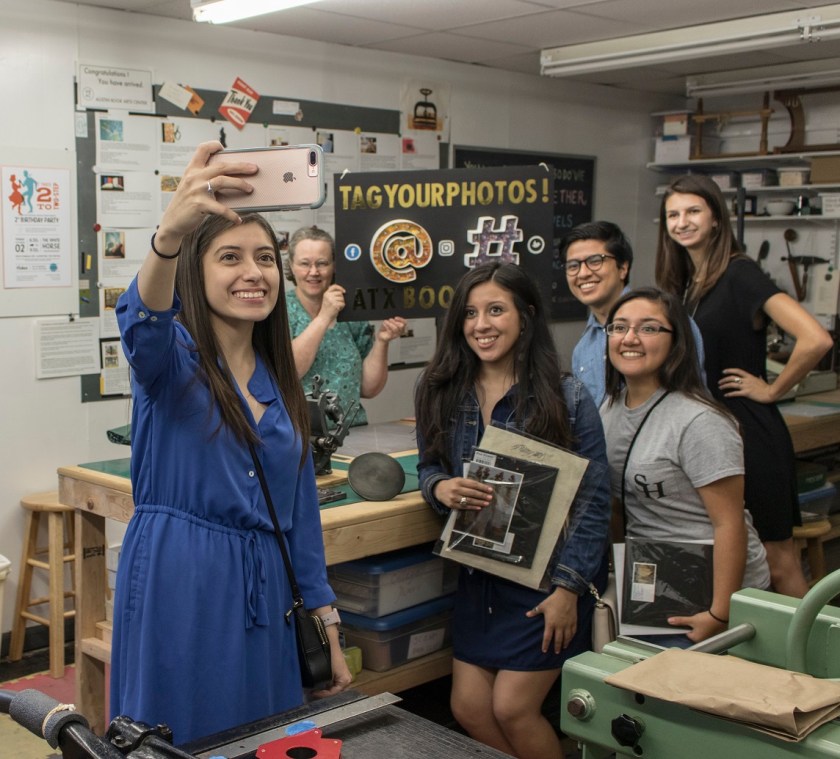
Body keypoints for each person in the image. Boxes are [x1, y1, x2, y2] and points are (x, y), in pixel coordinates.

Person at [112, 141, 351, 744]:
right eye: (229, 257)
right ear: (196, 270)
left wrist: (328, 631)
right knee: (178, 732)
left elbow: (300, 521)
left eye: (266, 257)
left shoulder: (282, 384)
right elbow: (141, 320)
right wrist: (170, 234)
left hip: (266, 589)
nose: (253, 272)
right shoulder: (170, 364)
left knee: (265, 734)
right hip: (180, 579)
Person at [414, 262, 610, 759]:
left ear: (525, 315)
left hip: (546, 584)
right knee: (469, 708)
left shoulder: (567, 397)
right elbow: (428, 467)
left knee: (513, 709)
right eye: (471, 313)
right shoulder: (440, 391)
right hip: (479, 579)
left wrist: (568, 588)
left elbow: (593, 502)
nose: (482, 324)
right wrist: (440, 490)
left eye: (496, 310)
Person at [656, 174, 833, 597]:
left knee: (777, 560)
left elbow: (816, 338)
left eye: (693, 211)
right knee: (741, 557)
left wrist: (773, 389)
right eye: (673, 215)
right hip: (713, 437)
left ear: (716, 218)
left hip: (750, 434)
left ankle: (814, 662)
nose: (682, 222)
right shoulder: (691, 283)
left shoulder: (739, 273)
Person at [600, 287, 771, 646]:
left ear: (676, 341)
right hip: (656, 580)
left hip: (712, 591)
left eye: (648, 328)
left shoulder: (699, 420)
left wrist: (720, 613)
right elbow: (618, 506)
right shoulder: (609, 409)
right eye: (618, 327)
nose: (630, 338)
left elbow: (729, 523)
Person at [560, 220, 705, 407]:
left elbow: (691, 395)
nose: (583, 273)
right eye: (573, 266)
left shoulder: (667, 319)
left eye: (595, 261)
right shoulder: (583, 348)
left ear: (623, 268)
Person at [285, 226, 406, 426]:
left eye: (322, 263)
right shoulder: (279, 312)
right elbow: (289, 371)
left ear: (334, 265)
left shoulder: (350, 313)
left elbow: (368, 388)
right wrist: (324, 316)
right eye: (304, 263)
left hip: (353, 430)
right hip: (300, 436)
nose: (313, 272)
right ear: (291, 265)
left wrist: (382, 341)